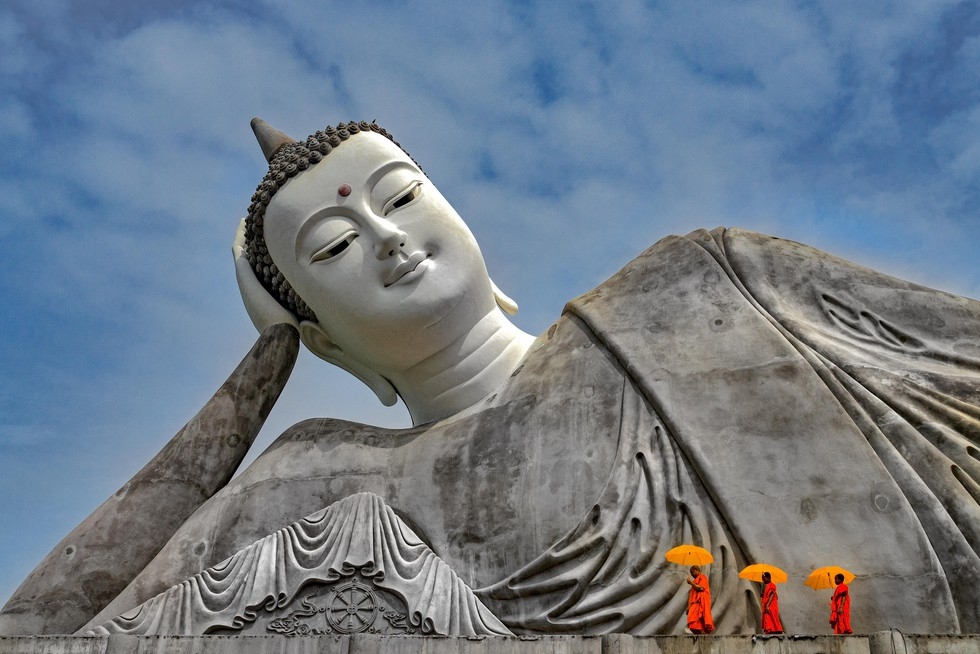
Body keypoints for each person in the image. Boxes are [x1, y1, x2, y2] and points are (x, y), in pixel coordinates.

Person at [3, 119, 980, 637]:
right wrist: (249, 391)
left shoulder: (698, 284)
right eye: (335, 245)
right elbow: (39, 633)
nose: (387, 238)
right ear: (326, 344)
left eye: (401, 195)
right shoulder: (317, 485)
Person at [685, 566, 715, 634]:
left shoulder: (703, 577)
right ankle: (699, 634)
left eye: (692, 572)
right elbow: (691, 596)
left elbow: (701, 589)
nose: (691, 574)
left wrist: (691, 583)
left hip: (701, 602)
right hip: (695, 603)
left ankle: (702, 633)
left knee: (698, 619)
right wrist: (688, 607)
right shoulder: (694, 582)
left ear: (696, 570)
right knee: (691, 619)